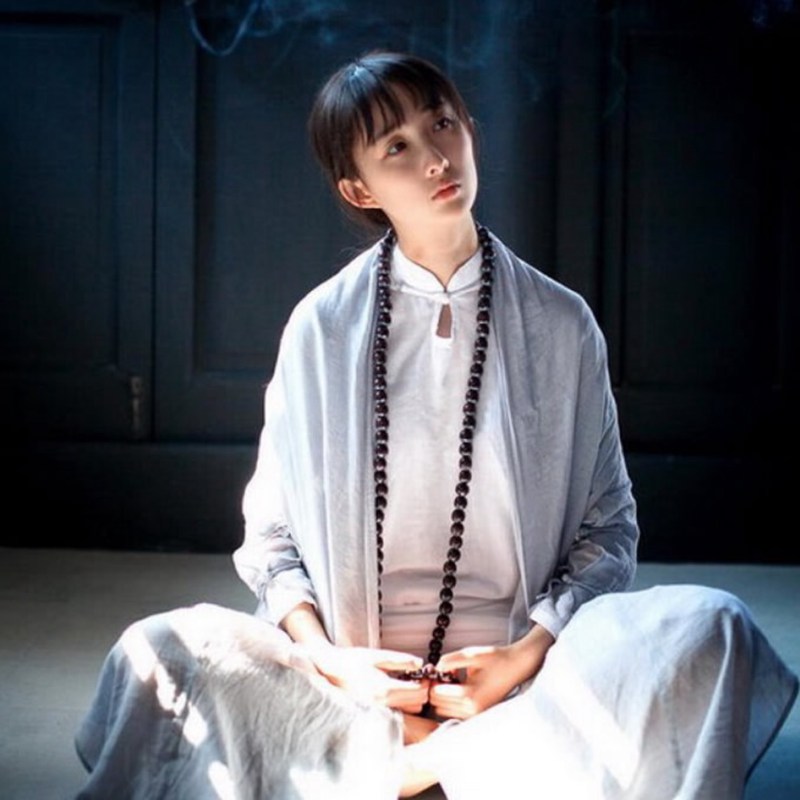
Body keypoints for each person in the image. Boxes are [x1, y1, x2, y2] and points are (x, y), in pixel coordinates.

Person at [74, 51, 797, 800]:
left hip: (526, 690)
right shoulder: (322, 326)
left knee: (713, 627)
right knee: (160, 654)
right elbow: (272, 539)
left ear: (469, 130)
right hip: (351, 689)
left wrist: (522, 656)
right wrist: (333, 663)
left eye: (443, 124)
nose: (435, 157)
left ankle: (402, 770)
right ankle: (439, 766)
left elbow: (608, 528)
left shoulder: (561, 322)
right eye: (397, 146)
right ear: (359, 188)